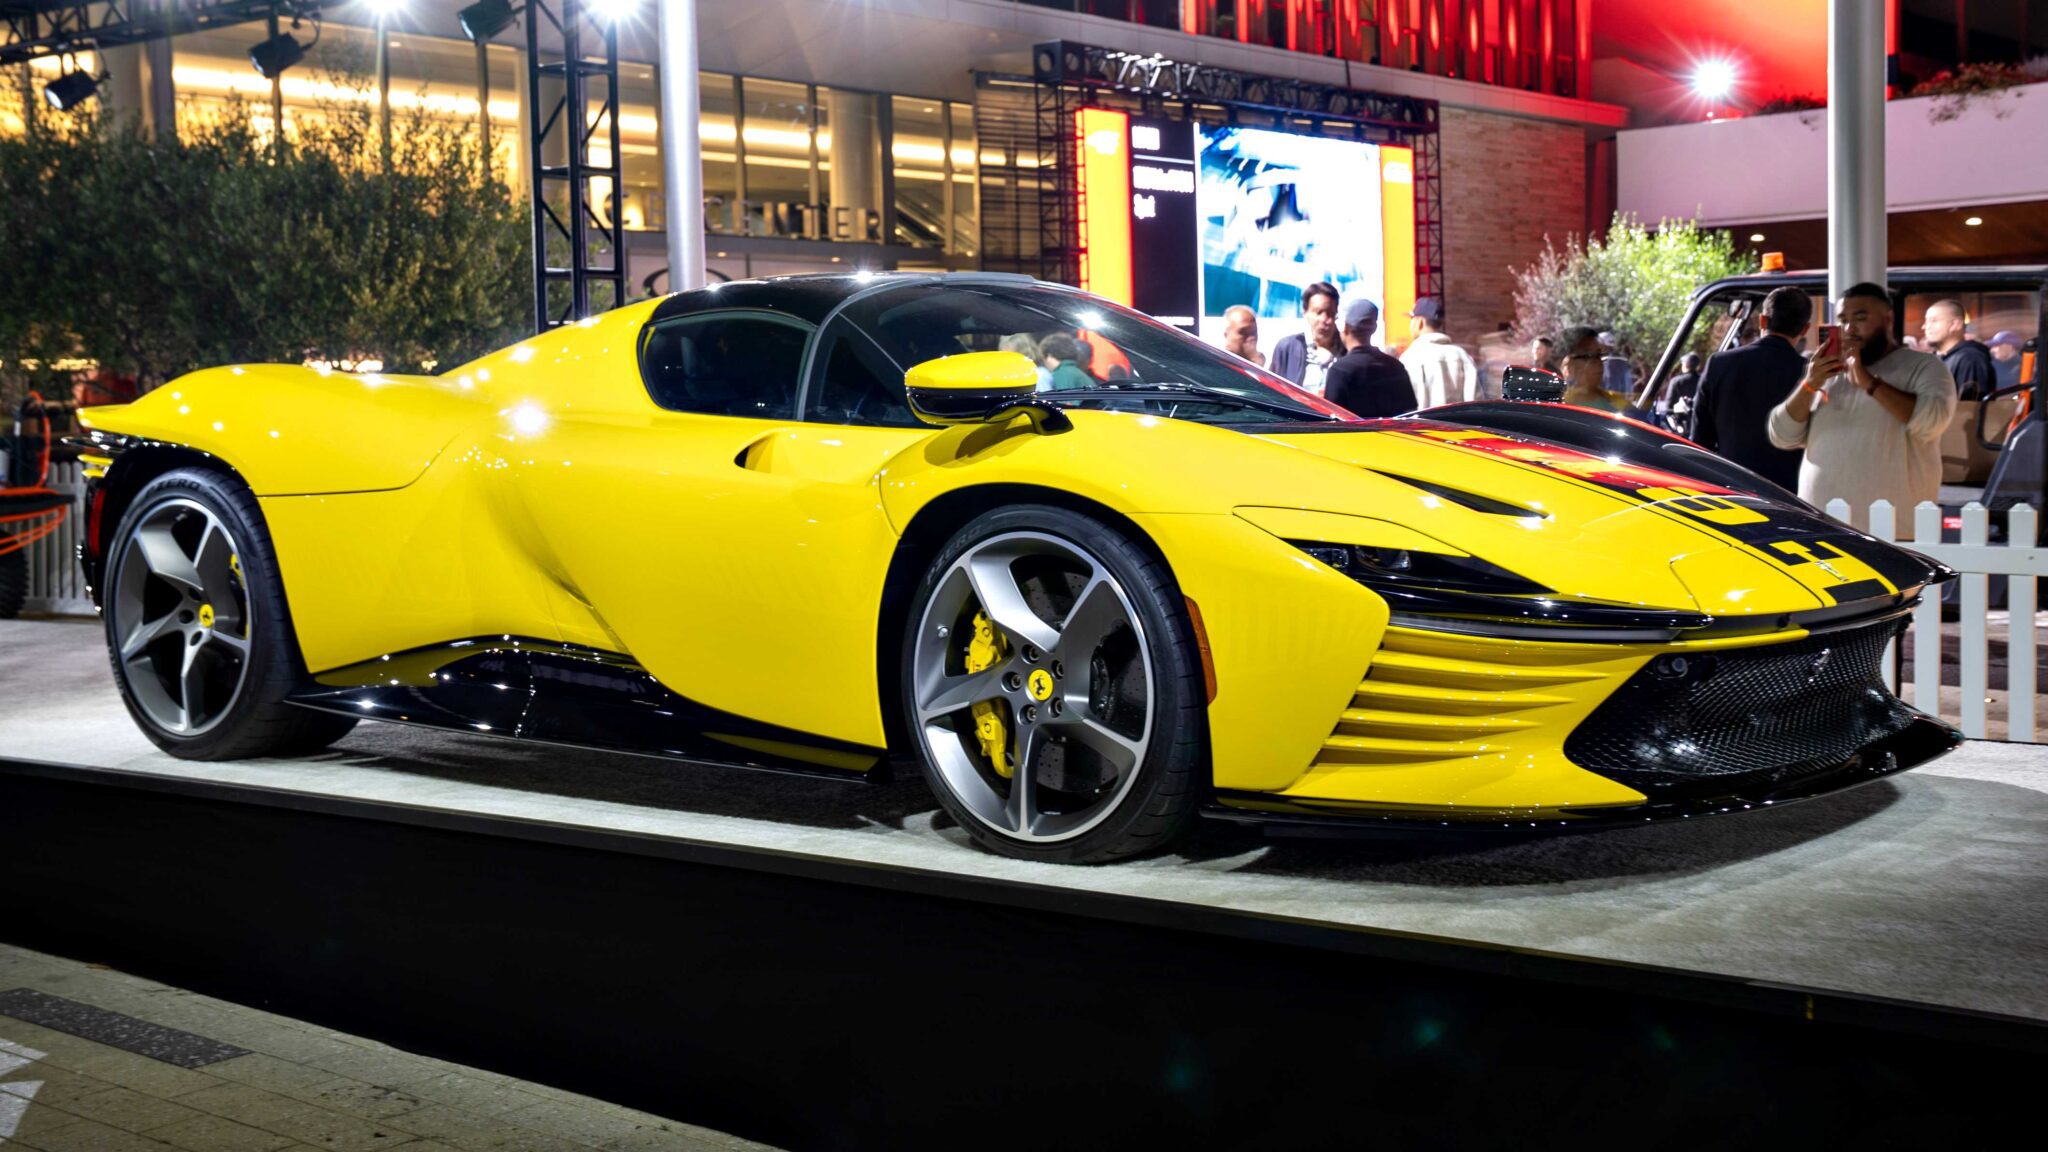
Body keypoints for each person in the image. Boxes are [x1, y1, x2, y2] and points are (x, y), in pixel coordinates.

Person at [1768, 282, 1958, 529]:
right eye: (1843, 319)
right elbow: (1782, 435)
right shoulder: (1827, 371)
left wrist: (1868, 383)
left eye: (1860, 318)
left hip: (1894, 531)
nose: (1849, 328)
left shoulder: (1924, 367)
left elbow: (1932, 422)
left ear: (1887, 319)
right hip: (1822, 527)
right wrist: (1810, 384)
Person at [1688, 287, 1811, 492]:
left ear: (1763, 320)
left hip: (1732, 491)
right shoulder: (1810, 375)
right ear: (1805, 329)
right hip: (1793, 497)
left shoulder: (1719, 364)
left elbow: (1700, 442)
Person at [1322, 297, 1417, 419]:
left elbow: (1330, 420)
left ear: (1345, 327)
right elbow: (1409, 412)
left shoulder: (1340, 370)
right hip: (1394, 437)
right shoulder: (1396, 366)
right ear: (1374, 328)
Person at [1399, 297, 1481, 408]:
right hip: (1457, 425)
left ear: (1420, 322)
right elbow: (1475, 404)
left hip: (1423, 425)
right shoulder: (1461, 355)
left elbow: (1404, 408)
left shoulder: (1410, 358)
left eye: (1412, 319)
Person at [1266, 282, 1344, 395]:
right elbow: (1272, 390)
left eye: (1330, 313)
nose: (1324, 320)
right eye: (1318, 312)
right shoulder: (1288, 347)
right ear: (1305, 312)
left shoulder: (1346, 350)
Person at [1922, 299, 1995, 401]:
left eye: (1933, 320)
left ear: (1955, 324)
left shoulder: (1970, 359)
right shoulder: (1936, 359)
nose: (1925, 327)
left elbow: (1968, 410)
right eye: (1926, 321)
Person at [1556, 326, 1631, 412]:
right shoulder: (1559, 408)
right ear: (1567, 365)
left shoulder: (1617, 403)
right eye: (1588, 356)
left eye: (1598, 355)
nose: (1598, 362)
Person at [1661, 351, 1704, 431]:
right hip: (1700, 424)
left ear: (1685, 365)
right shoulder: (1703, 381)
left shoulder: (1676, 381)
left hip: (1681, 426)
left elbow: (1668, 407)